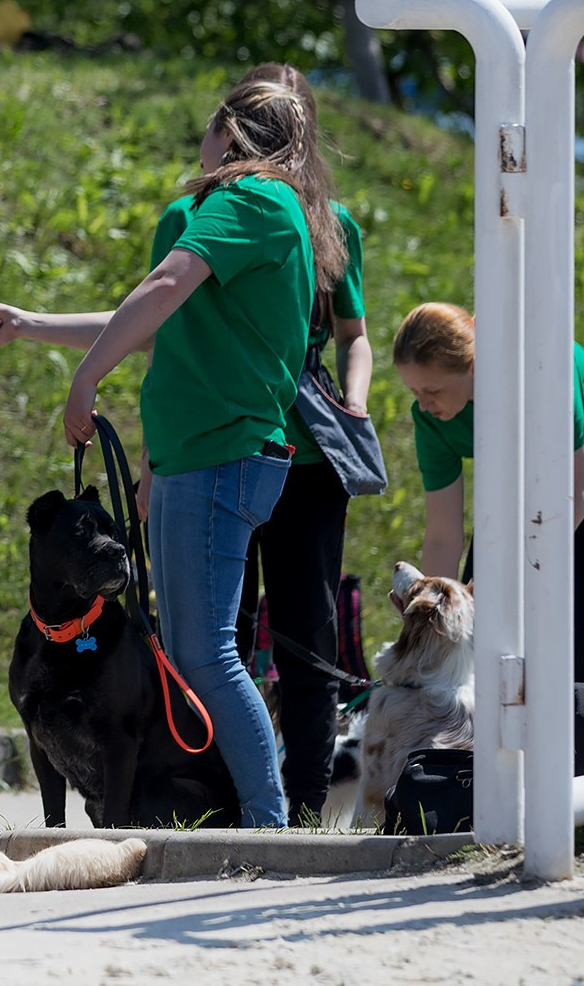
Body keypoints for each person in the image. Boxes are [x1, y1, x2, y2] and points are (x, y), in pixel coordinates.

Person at [0, 77, 344, 827]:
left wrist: (88, 377)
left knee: (205, 653)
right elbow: (149, 318)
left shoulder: (251, 200)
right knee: (192, 648)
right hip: (202, 456)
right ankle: (251, 817)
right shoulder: (262, 208)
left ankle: (268, 823)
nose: (198, 149)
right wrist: (33, 325)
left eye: (206, 133)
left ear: (229, 136)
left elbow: (166, 283)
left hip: (219, 455)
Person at [226, 63, 371, 826]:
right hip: (234, 440)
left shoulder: (335, 223)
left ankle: (310, 799)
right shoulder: (218, 214)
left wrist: (356, 397)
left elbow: (356, 336)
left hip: (311, 458)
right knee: (226, 628)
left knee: (307, 628)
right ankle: (230, 791)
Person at [391, 303, 584, 683]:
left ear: (474, 367)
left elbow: (574, 496)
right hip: (516, 496)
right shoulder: (431, 418)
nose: (423, 403)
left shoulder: (544, 366)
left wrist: (503, 574)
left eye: (432, 389)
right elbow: (443, 536)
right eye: (414, 390)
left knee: (577, 660)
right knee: (479, 644)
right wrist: (432, 612)